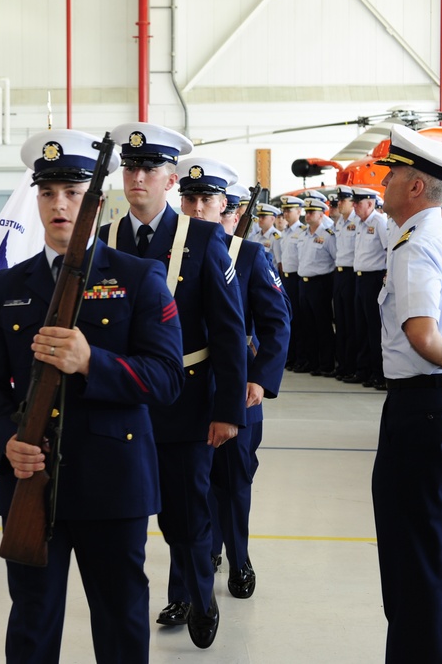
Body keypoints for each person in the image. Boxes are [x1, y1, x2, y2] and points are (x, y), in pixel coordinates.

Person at [0, 129, 185, 663]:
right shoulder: (7, 288)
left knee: (120, 619)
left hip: (113, 482)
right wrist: (5, 441)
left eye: (72, 191)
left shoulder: (139, 278)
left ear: (97, 198)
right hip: (30, 481)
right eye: (47, 192)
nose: (59, 204)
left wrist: (93, 362)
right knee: (32, 623)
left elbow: (166, 379)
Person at [102, 123, 247, 649]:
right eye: (130, 168)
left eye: (149, 170)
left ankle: (199, 595)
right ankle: (135, 605)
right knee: (124, 515)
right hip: (121, 401)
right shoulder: (105, 238)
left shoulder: (204, 239)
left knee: (186, 512)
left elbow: (230, 331)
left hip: (186, 399)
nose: (136, 178)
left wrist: (229, 409)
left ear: (169, 181)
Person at [175, 157, 290, 601]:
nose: (198, 208)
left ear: (227, 207)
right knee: (190, 482)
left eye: (208, 200)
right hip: (186, 387)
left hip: (237, 385)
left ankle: (238, 557)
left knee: (234, 479)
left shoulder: (250, 254)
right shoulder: (169, 254)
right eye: (190, 199)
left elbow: (277, 323)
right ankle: (199, 563)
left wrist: (260, 380)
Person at [371, 124, 442, 664]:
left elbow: (421, 332)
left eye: (391, 176)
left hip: (421, 409)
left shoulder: (415, 244)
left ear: (414, 187)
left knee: (413, 557)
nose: (382, 186)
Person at [351, 188, 387, 390]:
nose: (354, 205)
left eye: (358, 202)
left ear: (370, 204)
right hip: (360, 278)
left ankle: (379, 374)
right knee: (361, 326)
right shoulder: (360, 224)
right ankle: (364, 370)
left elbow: (388, 249)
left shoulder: (379, 222)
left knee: (374, 328)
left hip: (374, 279)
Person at [296, 198, 336, 376]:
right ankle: (311, 362)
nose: (308, 215)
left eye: (312, 212)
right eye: (307, 212)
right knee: (307, 326)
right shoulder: (303, 234)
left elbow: (336, 259)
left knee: (322, 325)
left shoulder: (327, 234)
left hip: (320, 283)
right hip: (303, 283)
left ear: (321, 214)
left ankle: (326, 364)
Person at [331, 185, 358, 382]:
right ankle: (343, 365)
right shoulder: (340, 222)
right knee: (340, 322)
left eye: (343, 200)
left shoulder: (358, 222)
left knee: (352, 323)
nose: (339, 204)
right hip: (338, 274)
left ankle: (354, 366)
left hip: (351, 274)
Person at [279, 195, 306, 370]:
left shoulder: (303, 231)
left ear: (299, 211)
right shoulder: (285, 233)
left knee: (300, 322)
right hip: (286, 279)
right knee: (289, 320)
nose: (286, 213)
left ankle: (302, 358)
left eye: (290, 210)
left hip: (298, 279)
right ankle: (293, 357)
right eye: (285, 210)